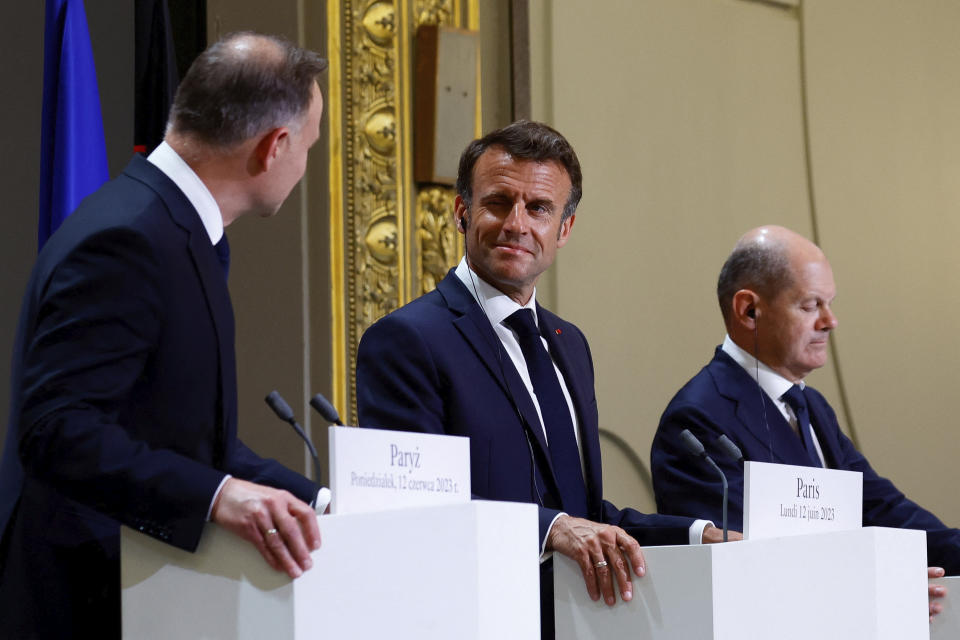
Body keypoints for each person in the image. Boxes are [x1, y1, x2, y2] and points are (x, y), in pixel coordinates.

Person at [0, 33, 328, 638]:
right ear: (273, 147)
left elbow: (187, 440)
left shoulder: (176, 227)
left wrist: (324, 504)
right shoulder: (128, 238)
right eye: (309, 146)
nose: (306, 164)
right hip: (81, 601)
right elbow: (55, 431)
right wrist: (218, 496)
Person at [356, 121, 730, 638]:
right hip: (470, 620)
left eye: (538, 208)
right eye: (498, 202)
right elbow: (413, 507)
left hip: (578, 621)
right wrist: (550, 529)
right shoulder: (406, 340)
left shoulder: (569, 344)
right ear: (462, 213)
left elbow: (583, 512)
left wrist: (697, 534)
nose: (517, 223)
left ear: (565, 228)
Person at [651, 224, 960, 619]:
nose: (831, 321)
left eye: (829, 304)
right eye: (811, 305)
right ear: (749, 310)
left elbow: (881, 507)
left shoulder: (811, 405)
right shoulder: (697, 418)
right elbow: (749, 560)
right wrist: (884, 583)